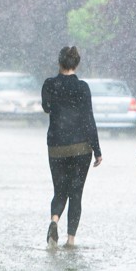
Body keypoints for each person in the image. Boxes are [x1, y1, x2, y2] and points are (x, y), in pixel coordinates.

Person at [41, 46, 103, 247]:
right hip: (80, 147)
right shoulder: (83, 88)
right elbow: (88, 119)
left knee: (59, 190)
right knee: (76, 193)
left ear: (59, 62)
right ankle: (71, 240)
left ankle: (54, 220)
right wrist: (97, 150)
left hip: (57, 146)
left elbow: (46, 108)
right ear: (77, 64)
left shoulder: (49, 85)